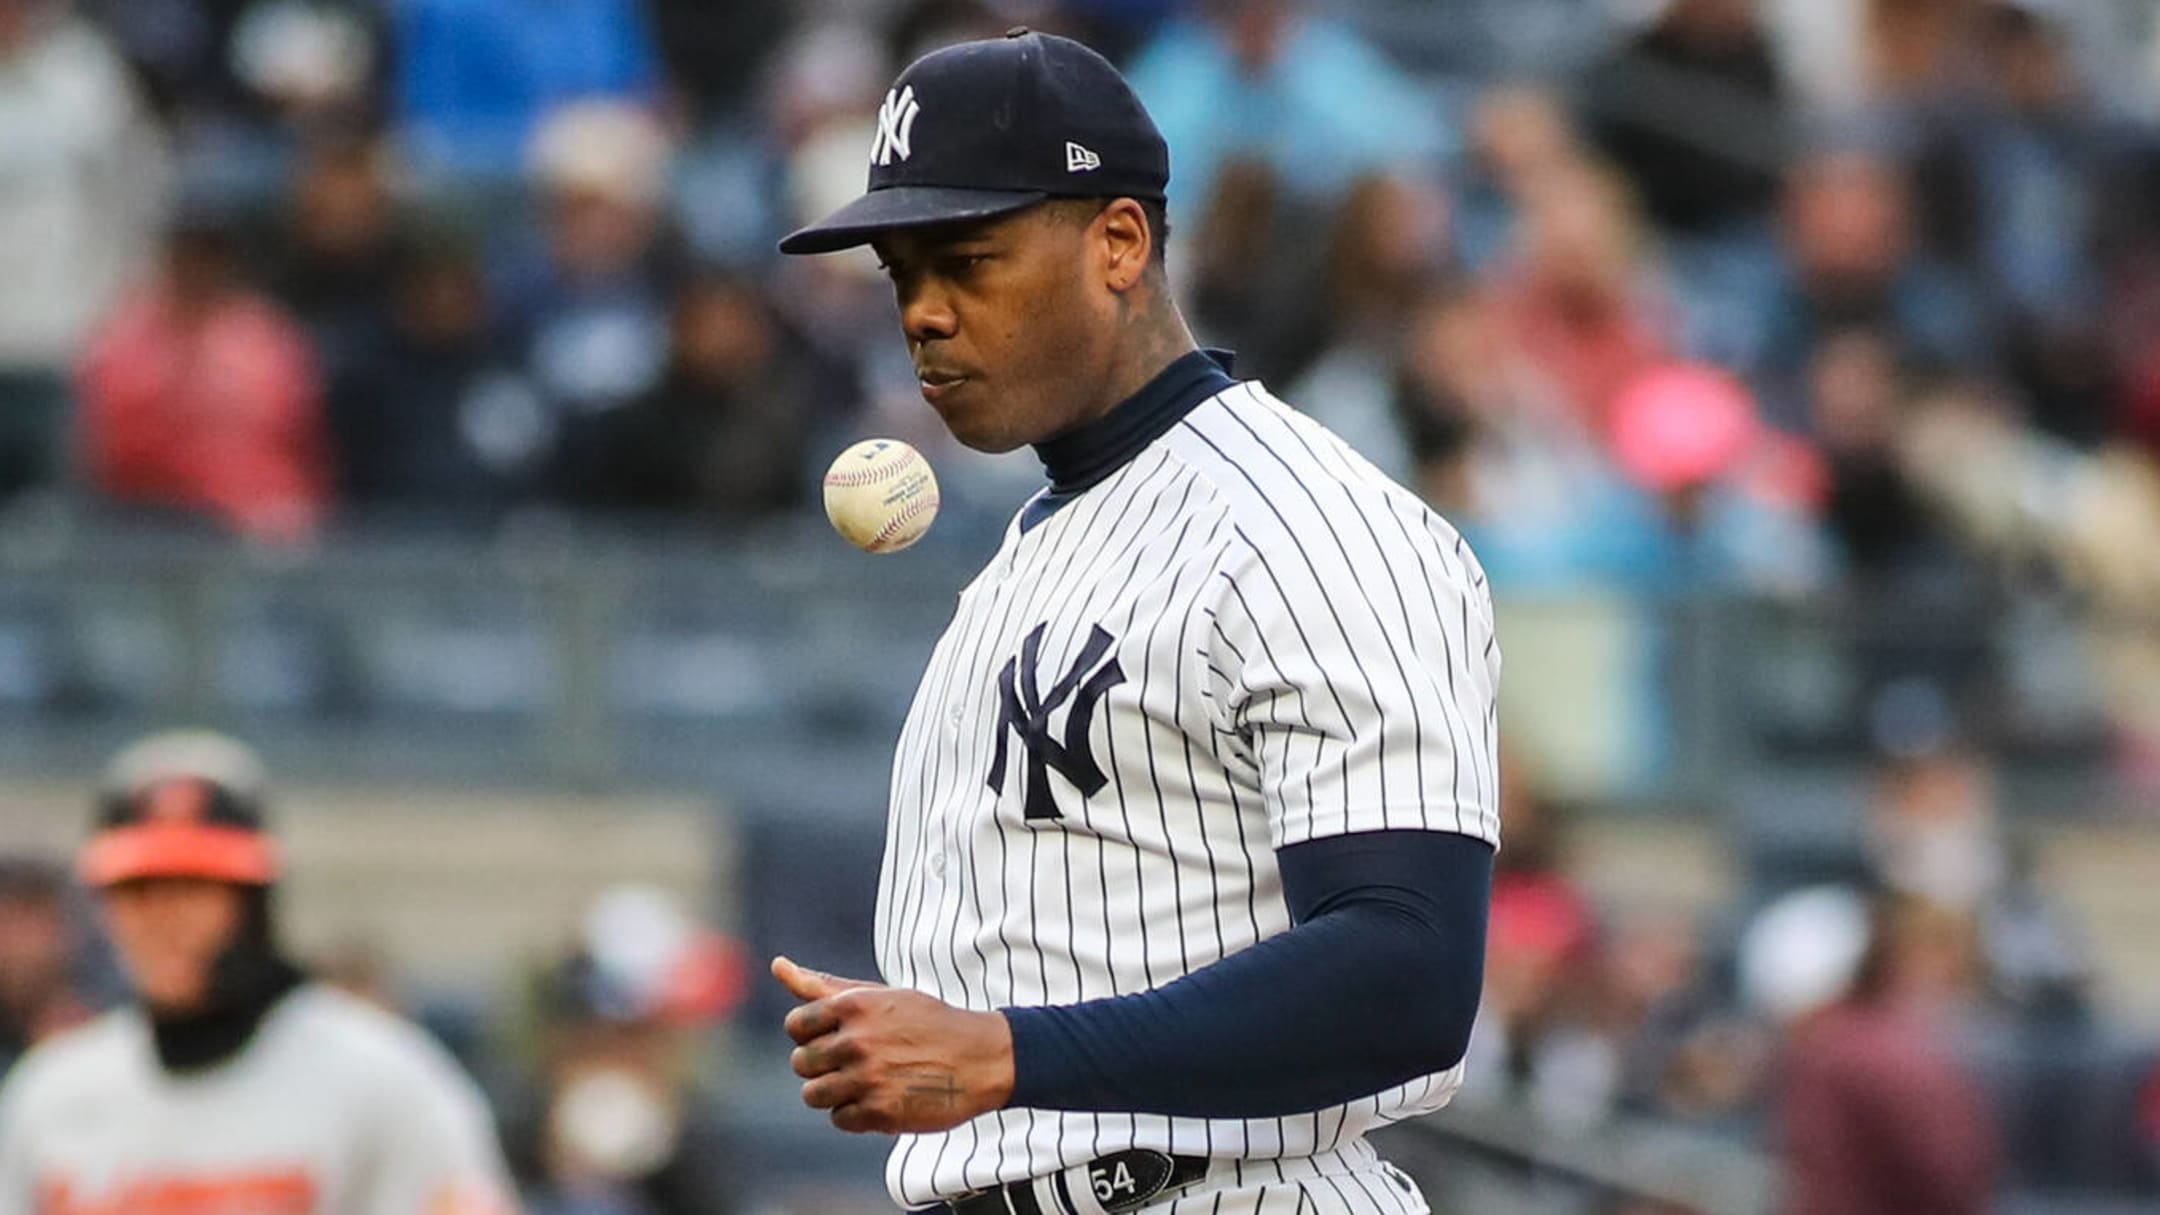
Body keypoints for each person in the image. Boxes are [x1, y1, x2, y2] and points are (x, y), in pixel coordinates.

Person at [772, 29, 1499, 1215]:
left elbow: (1407, 970)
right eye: (902, 272)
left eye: (968, 258)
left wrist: (1006, 1052)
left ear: (1119, 242)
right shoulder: (1046, 538)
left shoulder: (1302, 525)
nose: (925, 314)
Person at [0, 731, 518, 1214]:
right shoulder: (52, 1094)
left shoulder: (384, 1082)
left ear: (254, 904)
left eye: (196, 888)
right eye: (139, 891)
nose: (166, 919)